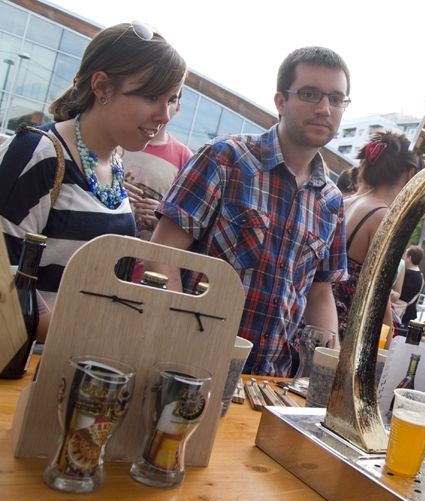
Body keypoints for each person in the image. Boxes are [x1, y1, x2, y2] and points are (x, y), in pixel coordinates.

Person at [149, 47, 350, 376]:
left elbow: (319, 293)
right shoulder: (224, 158)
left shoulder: (331, 201)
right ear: (281, 101)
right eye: (310, 94)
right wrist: (180, 340)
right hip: (192, 368)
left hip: (270, 383)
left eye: (337, 99)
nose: (324, 108)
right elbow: (161, 254)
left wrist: (329, 376)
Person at [0, 22, 186, 307]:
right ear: (101, 86)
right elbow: (5, 276)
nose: (165, 115)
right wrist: (70, 326)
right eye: (151, 96)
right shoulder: (39, 152)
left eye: (171, 99)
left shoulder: (115, 163)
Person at [331, 130, 419, 342]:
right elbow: (378, 299)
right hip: (345, 336)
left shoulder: (344, 202)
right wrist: (386, 346)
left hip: (318, 325)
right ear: (410, 174)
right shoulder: (384, 219)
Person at [121, 92, 192, 241]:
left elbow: (186, 220)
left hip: (143, 250)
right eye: (153, 97)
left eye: (171, 101)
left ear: (177, 107)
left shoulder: (186, 158)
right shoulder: (119, 139)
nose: (163, 109)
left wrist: (164, 219)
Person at [396, 245, 424, 326]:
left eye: (405, 255)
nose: (403, 257)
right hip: (408, 313)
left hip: (398, 312)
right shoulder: (420, 276)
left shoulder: (406, 274)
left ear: (410, 258)